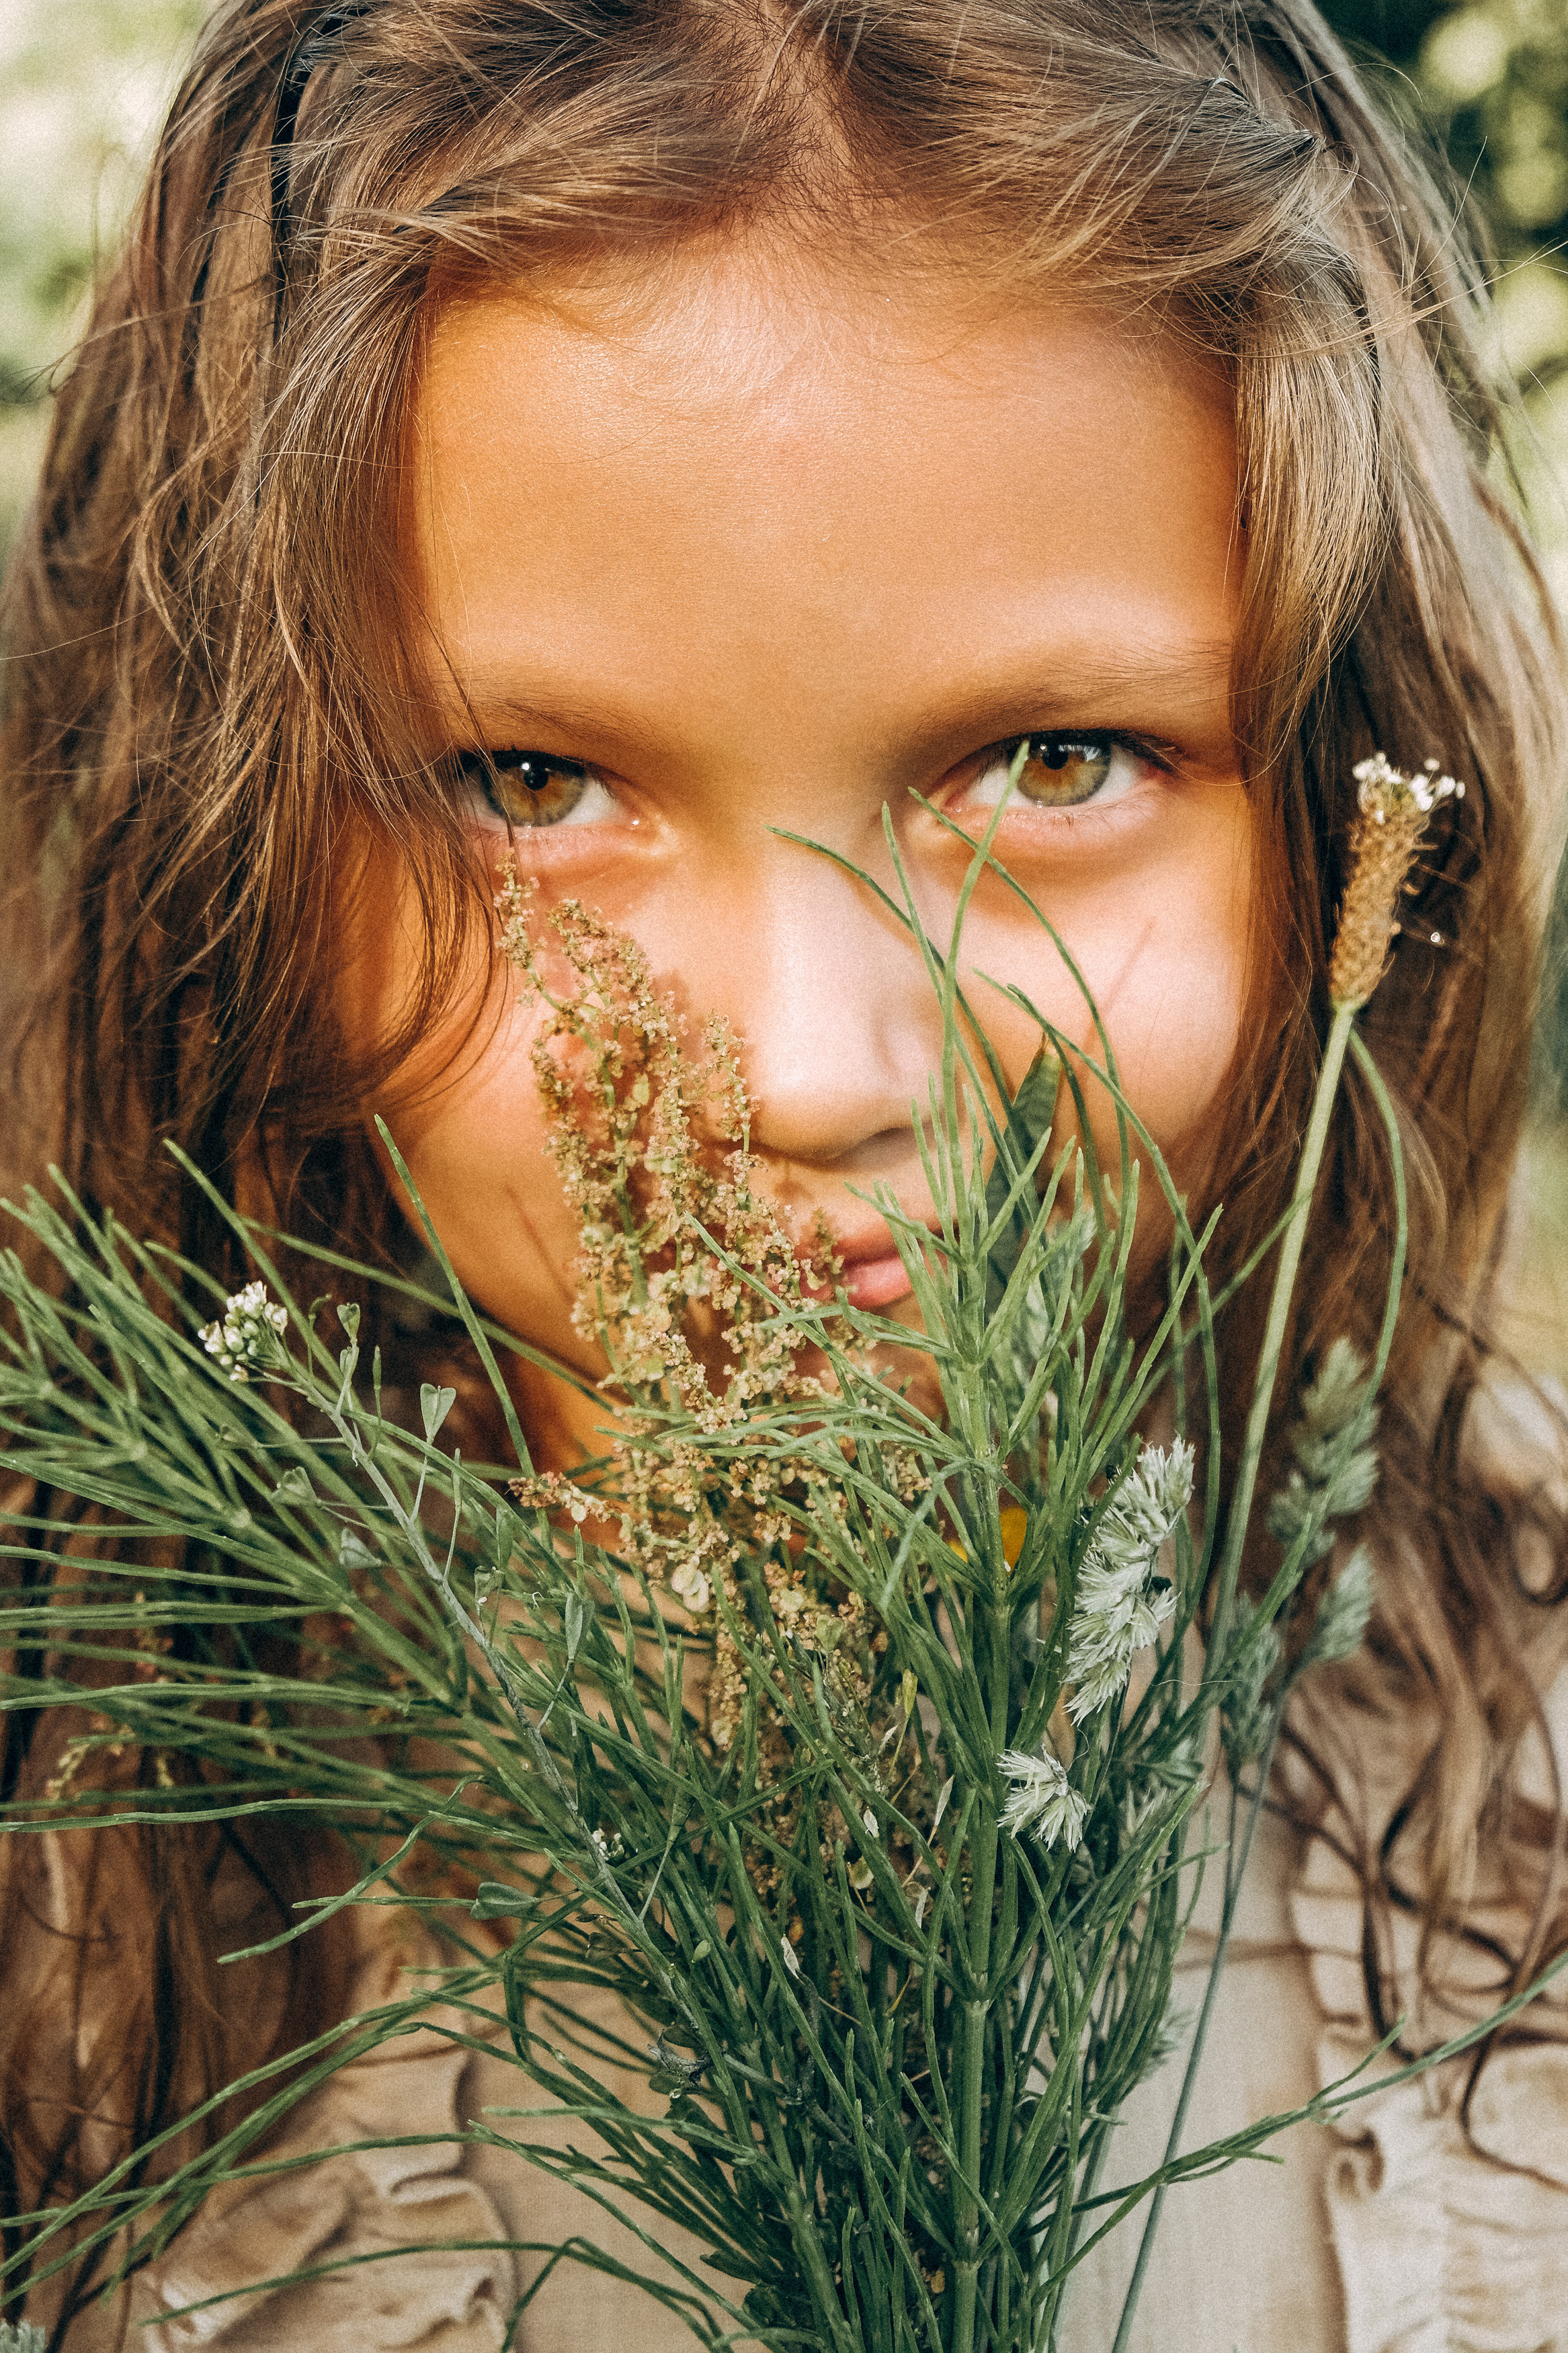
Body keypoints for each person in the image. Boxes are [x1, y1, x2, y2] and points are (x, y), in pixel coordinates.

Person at [2, 1, 1566, 2346]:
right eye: (529, 784)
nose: (812, 1066)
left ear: (1356, 798)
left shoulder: (1523, 1773)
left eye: (1056, 760)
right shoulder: (74, 1900)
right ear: (218, 845)